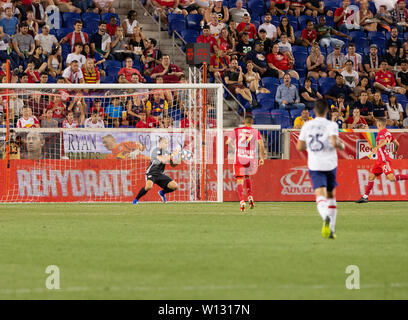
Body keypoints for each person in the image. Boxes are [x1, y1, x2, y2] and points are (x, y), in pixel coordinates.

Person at [296, 99, 345, 239]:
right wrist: (342, 145)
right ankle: (332, 229)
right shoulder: (332, 124)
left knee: (320, 196)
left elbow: (299, 147)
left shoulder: (307, 125)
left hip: (315, 164)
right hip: (330, 164)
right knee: (331, 196)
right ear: (327, 111)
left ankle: (325, 217)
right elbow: (335, 142)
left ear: (314, 111)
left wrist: (311, 147)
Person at [356, 117, 408, 203]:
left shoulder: (381, 133)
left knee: (391, 178)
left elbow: (383, 142)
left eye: (377, 124)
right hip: (379, 161)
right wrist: (395, 151)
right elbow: (397, 144)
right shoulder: (388, 133)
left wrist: (376, 147)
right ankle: (365, 197)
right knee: (371, 176)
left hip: (384, 160)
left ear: (379, 124)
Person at [225, 114, 265, 212]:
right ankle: (250, 197)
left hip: (240, 158)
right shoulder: (256, 132)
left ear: (244, 121)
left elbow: (227, 142)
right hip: (250, 159)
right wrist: (262, 158)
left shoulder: (237, 131)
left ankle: (242, 201)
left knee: (240, 180)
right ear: (252, 122)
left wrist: (234, 146)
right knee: (247, 177)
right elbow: (261, 145)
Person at [133, 137, 179, 204]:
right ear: (160, 143)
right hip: (152, 172)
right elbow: (162, 159)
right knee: (148, 187)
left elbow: (172, 165)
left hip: (160, 174)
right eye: (164, 142)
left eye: (167, 143)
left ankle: (162, 193)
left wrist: (178, 159)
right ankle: (136, 200)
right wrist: (172, 155)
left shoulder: (167, 153)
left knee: (175, 186)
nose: (166, 144)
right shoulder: (155, 150)